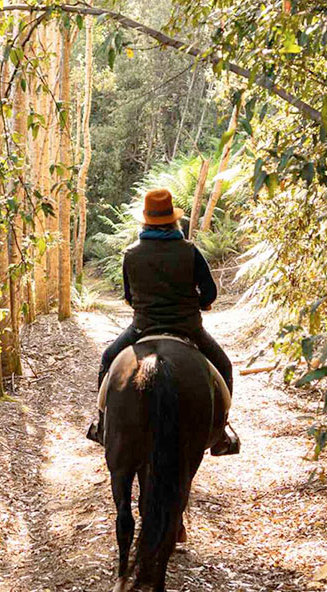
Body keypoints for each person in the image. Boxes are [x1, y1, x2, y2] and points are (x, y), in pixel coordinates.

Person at [88, 187, 240, 456]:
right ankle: (221, 433)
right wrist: (200, 302)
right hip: (188, 328)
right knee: (224, 365)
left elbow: (129, 297)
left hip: (142, 327)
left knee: (107, 359)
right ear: (173, 219)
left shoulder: (131, 254)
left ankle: (102, 425)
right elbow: (210, 293)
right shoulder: (189, 250)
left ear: (145, 220)